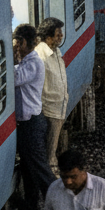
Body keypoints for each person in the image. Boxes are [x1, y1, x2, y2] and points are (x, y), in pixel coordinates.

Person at [13, 24, 56, 210]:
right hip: (27, 124)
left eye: (16, 43)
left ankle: (60, 207)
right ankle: (32, 208)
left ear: (22, 42)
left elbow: (13, 78)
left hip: (32, 124)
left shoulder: (32, 63)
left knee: (40, 169)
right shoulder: (25, 62)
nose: (15, 47)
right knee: (28, 169)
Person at [35, 17, 69, 171]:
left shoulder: (54, 50)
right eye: (58, 34)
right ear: (48, 38)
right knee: (49, 153)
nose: (61, 36)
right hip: (49, 110)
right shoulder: (41, 56)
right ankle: (51, 179)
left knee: (53, 148)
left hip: (58, 107)